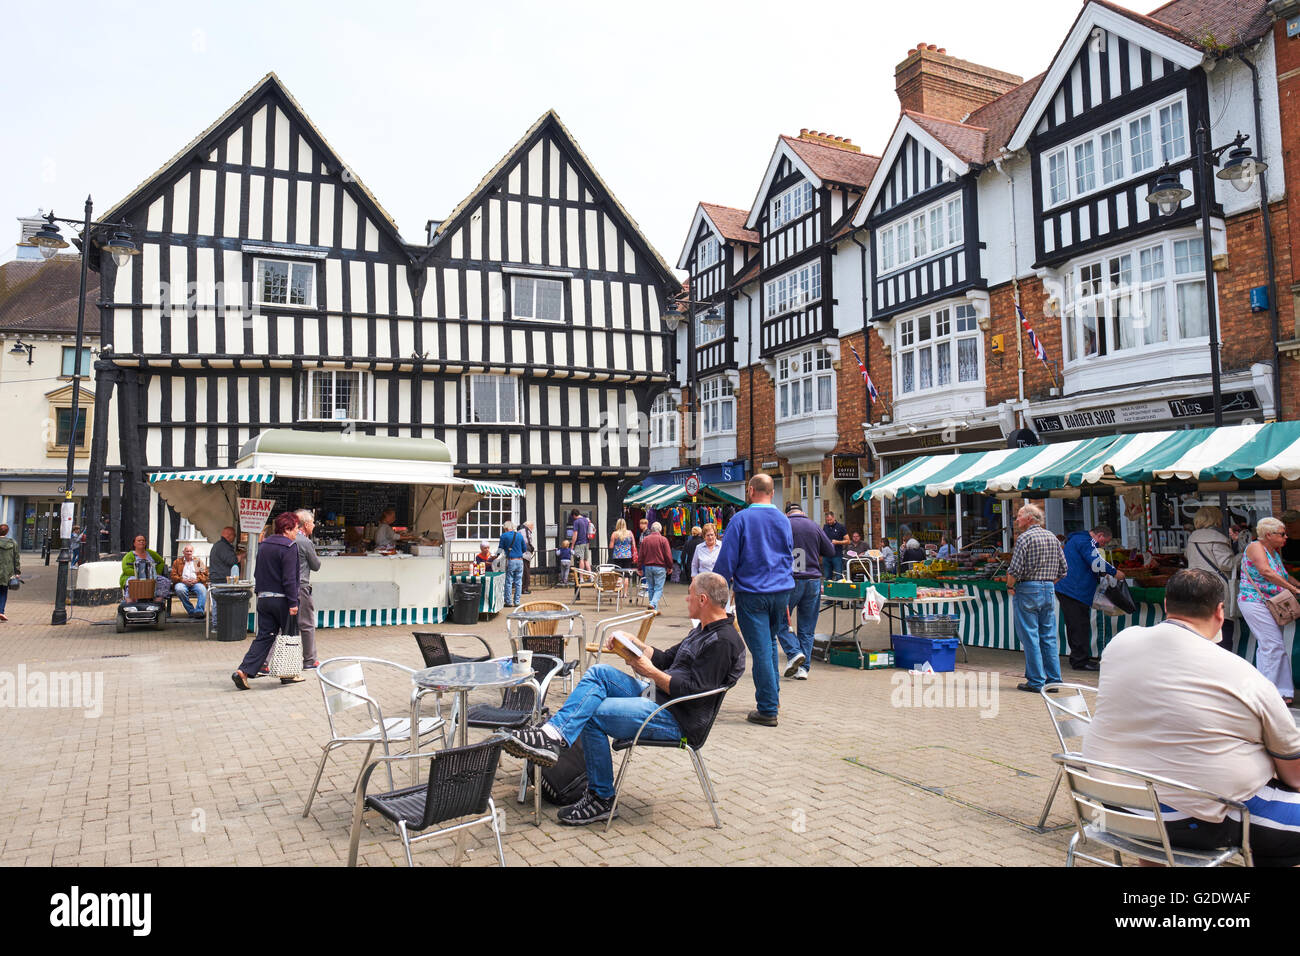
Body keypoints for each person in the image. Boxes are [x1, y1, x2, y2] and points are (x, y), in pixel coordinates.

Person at [1082, 568, 1300, 867]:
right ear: (1220, 611)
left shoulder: (1120, 644)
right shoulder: (1244, 675)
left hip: (1116, 805)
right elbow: (1293, 774)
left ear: (1166, 604)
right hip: (1194, 820)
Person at [497, 572, 745, 825]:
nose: (686, 599)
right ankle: (553, 735)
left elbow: (693, 693)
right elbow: (667, 658)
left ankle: (601, 798)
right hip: (658, 698)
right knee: (599, 673)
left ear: (703, 599)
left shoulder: (723, 641)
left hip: (676, 717)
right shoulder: (702, 630)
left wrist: (649, 672)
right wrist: (635, 644)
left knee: (592, 714)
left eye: (690, 594)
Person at [713, 473, 794, 727]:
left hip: (753, 593)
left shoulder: (741, 519)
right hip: (781, 591)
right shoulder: (784, 520)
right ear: (772, 492)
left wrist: (715, 594)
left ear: (750, 491)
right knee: (768, 643)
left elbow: (727, 560)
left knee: (760, 651)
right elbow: (788, 555)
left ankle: (767, 708)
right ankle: (773, 697)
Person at [232, 512, 300, 689]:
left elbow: (257, 572)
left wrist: (258, 592)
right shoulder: (290, 546)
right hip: (283, 599)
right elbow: (289, 578)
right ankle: (287, 673)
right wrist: (293, 602)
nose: (297, 532)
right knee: (289, 635)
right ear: (287, 529)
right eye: (296, 528)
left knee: (264, 636)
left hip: (263, 597)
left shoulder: (264, 545)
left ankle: (243, 671)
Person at [1005, 504, 1068, 693]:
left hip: (1028, 589)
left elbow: (1015, 569)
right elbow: (1064, 570)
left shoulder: (1024, 538)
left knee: (1030, 636)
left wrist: (1010, 586)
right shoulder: (1052, 537)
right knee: (1048, 636)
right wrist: (1047, 583)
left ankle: (1036, 680)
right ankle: (1054, 680)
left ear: (1030, 518)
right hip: (1048, 588)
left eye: (1019, 516)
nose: (1016, 520)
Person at [1238, 516, 1300, 705]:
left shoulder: (1273, 551)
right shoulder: (1255, 547)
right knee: (1273, 645)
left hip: (1270, 602)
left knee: (1268, 646)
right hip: (1255, 601)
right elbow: (1266, 572)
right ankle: (1274, 693)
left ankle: (1271, 690)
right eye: (1282, 534)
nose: (1286, 537)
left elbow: (1283, 575)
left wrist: (1296, 584)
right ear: (1268, 535)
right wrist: (1294, 589)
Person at [1055, 525, 1124, 672]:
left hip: (1069, 588)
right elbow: (1096, 562)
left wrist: (1102, 573)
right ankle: (1080, 661)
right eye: (1104, 542)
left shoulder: (1078, 539)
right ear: (1099, 535)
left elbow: (1089, 564)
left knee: (1075, 625)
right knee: (1079, 625)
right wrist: (1114, 572)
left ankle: (1077, 658)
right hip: (1074, 589)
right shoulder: (1085, 541)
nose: (1102, 545)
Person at [779, 502, 834, 680]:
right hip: (813, 581)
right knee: (807, 628)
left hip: (791, 581)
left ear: (787, 514)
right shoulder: (814, 526)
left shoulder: (784, 525)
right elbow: (830, 550)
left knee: (779, 621)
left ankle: (794, 652)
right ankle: (803, 669)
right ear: (802, 512)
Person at [1184, 506, 1241, 651]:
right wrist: (1243, 554)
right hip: (1217, 588)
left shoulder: (1192, 538)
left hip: (1196, 586)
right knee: (1223, 631)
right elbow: (1227, 564)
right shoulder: (1217, 539)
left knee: (1202, 631)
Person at [295, 509, 322, 670]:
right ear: (305, 524)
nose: (314, 526)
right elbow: (316, 565)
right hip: (301, 587)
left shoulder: (285, 538)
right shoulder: (305, 542)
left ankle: (264, 663)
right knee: (307, 624)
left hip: (284, 586)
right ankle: (310, 660)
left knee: (279, 626)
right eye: (312, 523)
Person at [637, 521, 674, 613]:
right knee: (658, 588)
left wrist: (639, 567)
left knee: (650, 587)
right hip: (660, 566)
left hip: (648, 566)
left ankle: (653, 609)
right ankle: (653, 604)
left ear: (651, 529)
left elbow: (641, 555)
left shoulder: (645, 540)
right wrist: (670, 566)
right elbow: (668, 555)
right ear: (660, 530)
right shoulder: (663, 540)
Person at [120, 534, 169, 599]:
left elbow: (161, 562)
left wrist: (157, 572)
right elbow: (126, 569)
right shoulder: (129, 555)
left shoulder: (151, 553)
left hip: (151, 576)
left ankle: (158, 600)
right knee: (131, 583)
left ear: (145, 543)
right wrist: (140, 574)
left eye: (143, 540)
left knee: (164, 581)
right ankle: (130, 602)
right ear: (134, 543)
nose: (141, 542)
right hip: (134, 576)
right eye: (139, 541)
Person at [494, 520, 528, 607]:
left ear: (505, 528)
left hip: (511, 560)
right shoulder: (519, 535)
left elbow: (500, 549)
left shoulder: (504, 536)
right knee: (518, 582)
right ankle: (517, 602)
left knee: (509, 581)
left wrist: (495, 556)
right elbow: (524, 549)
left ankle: (508, 602)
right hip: (520, 560)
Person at [169, 545, 209, 617]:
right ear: (183, 552)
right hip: (182, 582)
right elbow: (173, 575)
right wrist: (182, 580)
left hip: (196, 583)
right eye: (187, 551)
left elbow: (205, 574)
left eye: (190, 551)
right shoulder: (177, 562)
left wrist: (197, 579)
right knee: (179, 589)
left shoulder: (197, 561)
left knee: (202, 589)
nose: (189, 553)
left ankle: (199, 611)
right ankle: (191, 611)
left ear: (193, 552)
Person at [0, 524, 19, 622]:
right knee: (3, 592)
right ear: (7, 532)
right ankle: (1, 611)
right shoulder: (13, 543)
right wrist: (17, 572)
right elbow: (16, 558)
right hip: (7, 572)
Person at [822, 510, 849, 578]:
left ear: (834, 518)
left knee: (838, 576)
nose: (829, 522)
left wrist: (837, 542)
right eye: (827, 520)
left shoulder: (840, 527)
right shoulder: (825, 527)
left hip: (837, 555)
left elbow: (848, 541)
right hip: (826, 555)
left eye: (830, 520)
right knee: (827, 576)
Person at [521, 520, 537, 595]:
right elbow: (527, 543)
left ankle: (523, 588)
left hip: (521, 554)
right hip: (525, 554)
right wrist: (532, 549)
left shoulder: (521, 531)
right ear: (529, 526)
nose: (533, 528)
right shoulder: (526, 531)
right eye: (532, 526)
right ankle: (524, 589)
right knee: (526, 572)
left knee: (523, 571)